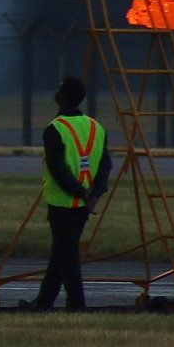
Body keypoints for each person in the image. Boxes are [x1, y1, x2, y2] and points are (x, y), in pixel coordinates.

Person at [24, 77, 112, 311]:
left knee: (68, 255)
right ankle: (44, 301)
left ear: (62, 96)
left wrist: (79, 192)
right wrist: (94, 194)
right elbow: (105, 165)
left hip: (63, 203)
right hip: (84, 204)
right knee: (62, 252)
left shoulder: (55, 129)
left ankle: (76, 304)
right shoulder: (96, 127)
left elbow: (58, 168)